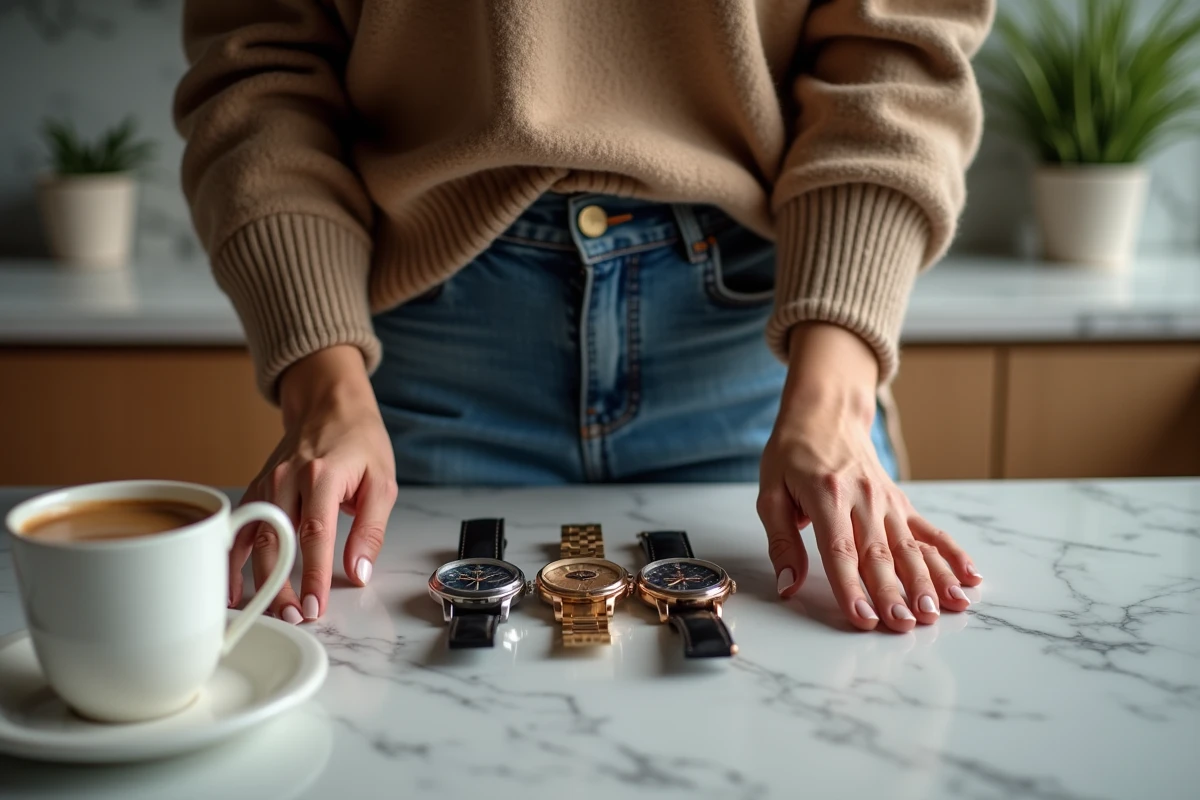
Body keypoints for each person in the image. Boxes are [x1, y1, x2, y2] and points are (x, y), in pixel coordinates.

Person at [174, 0, 990, 634]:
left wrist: (836, 397)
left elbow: (900, 53)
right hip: (416, 345)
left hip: (763, 344)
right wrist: (323, 387)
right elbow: (260, 70)